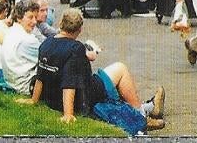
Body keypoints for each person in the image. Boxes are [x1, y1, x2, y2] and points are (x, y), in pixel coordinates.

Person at [24, 8, 165, 130]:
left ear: (61, 24)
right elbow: (69, 83)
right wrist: (68, 114)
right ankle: (140, 114)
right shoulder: (76, 48)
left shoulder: (46, 44)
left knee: (109, 74)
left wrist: (34, 100)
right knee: (120, 68)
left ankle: (150, 108)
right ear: (80, 29)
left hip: (53, 97)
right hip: (84, 95)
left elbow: (40, 76)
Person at [2, 0, 43, 94]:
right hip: (26, 85)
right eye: (30, 17)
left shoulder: (11, 32)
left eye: (35, 18)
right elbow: (49, 58)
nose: (34, 22)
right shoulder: (26, 40)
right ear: (19, 18)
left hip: (12, 81)